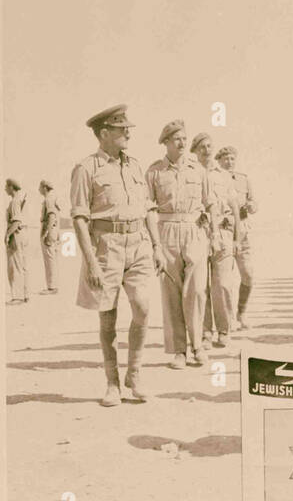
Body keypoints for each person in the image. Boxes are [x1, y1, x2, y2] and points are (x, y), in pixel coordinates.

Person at [69, 106, 163, 406]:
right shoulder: (86, 168)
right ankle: (112, 384)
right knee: (107, 319)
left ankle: (134, 376)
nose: (128, 133)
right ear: (104, 133)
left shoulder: (135, 166)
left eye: (128, 128)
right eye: (122, 129)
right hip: (106, 247)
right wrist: (91, 262)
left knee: (143, 307)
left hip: (137, 244)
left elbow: (148, 208)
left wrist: (157, 245)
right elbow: (80, 218)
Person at [147, 120, 215, 369]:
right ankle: (179, 350)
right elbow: (148, 210)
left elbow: (210, 204)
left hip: (195, 230)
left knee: (196, 291)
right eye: (176, 138)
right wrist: (155, 245)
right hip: (166, 233)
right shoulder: (154, 172)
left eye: (184, 138)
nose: (183, 142)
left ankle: (197, 345)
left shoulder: (198, 170)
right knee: (172, 293)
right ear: (165, 142)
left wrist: (213, 232)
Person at [192, 132, 237, 350]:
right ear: (195, 151)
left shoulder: (224, 176)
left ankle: (224, 330)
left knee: (223, 285)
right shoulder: (191, 173)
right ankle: (205, 333)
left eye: (210, 146)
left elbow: (234, 206)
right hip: (200, 233)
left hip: (223, 234)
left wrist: (237, 237)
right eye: (202, 147)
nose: (207, 150)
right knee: (201, 287)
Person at [217, 145, 257, 329]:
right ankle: (227, 318)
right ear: (219, 161)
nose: (229, 162)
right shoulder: (214, 178)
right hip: (223, 230)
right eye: (225, 158)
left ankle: (242, 313)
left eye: (232, 158)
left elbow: (254, 202)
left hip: (242, 232)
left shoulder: (244, 179)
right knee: (224, 280)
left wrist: (252, 206)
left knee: (248, 275)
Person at [4, 178, 31, 304]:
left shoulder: (14, 202)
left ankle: (18, 297)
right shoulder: (19, 201)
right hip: (23, 234)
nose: (5, 189)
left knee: (15, 266)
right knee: (23, 265)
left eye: (6, 186)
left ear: (11, 187)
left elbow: (16, 221)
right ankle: (25, 295)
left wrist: (7, 235)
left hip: (16, 234)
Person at [38, 179, 61, 294]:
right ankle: (53, 286)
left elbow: (51, 216)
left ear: (45, 188)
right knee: (52, 258)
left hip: (50, 230)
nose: (39, 189)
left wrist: (47, 232)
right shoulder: (53, 197)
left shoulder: (48, 199)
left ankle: (52, 287)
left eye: (40, 187)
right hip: (54, 230)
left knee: (49, 259)